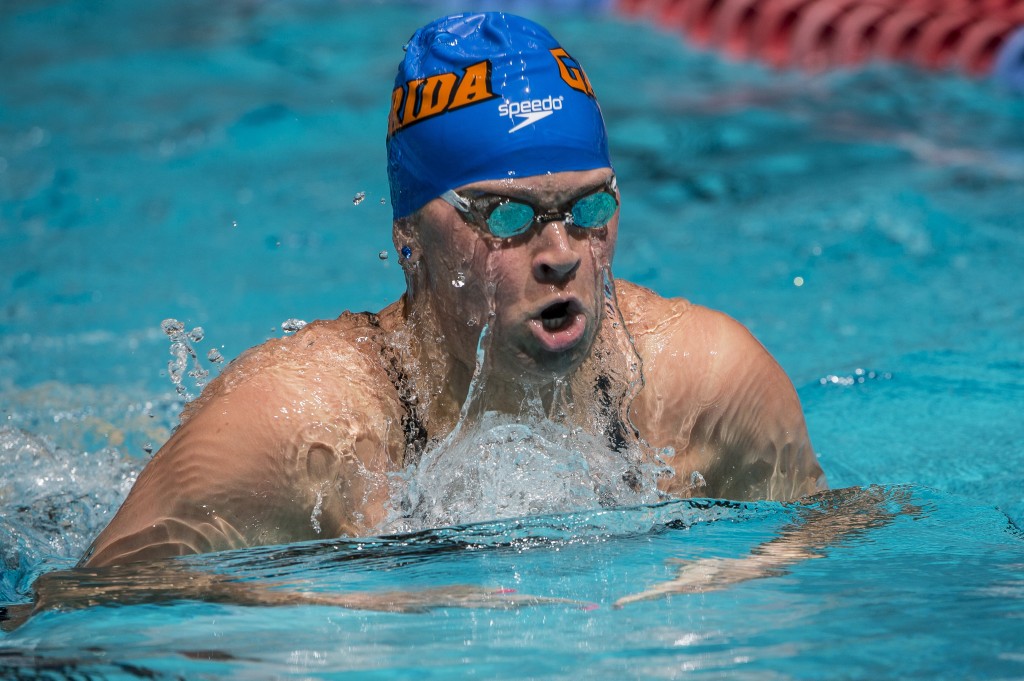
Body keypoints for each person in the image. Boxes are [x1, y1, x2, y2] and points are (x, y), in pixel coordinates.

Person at [78, 12, 826, 570]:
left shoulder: (707, 385)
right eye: (507, 216)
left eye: (589, 207)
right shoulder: (292, 429)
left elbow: (834, 562)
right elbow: (90, 613)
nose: (561, 254)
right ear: (411, 238)